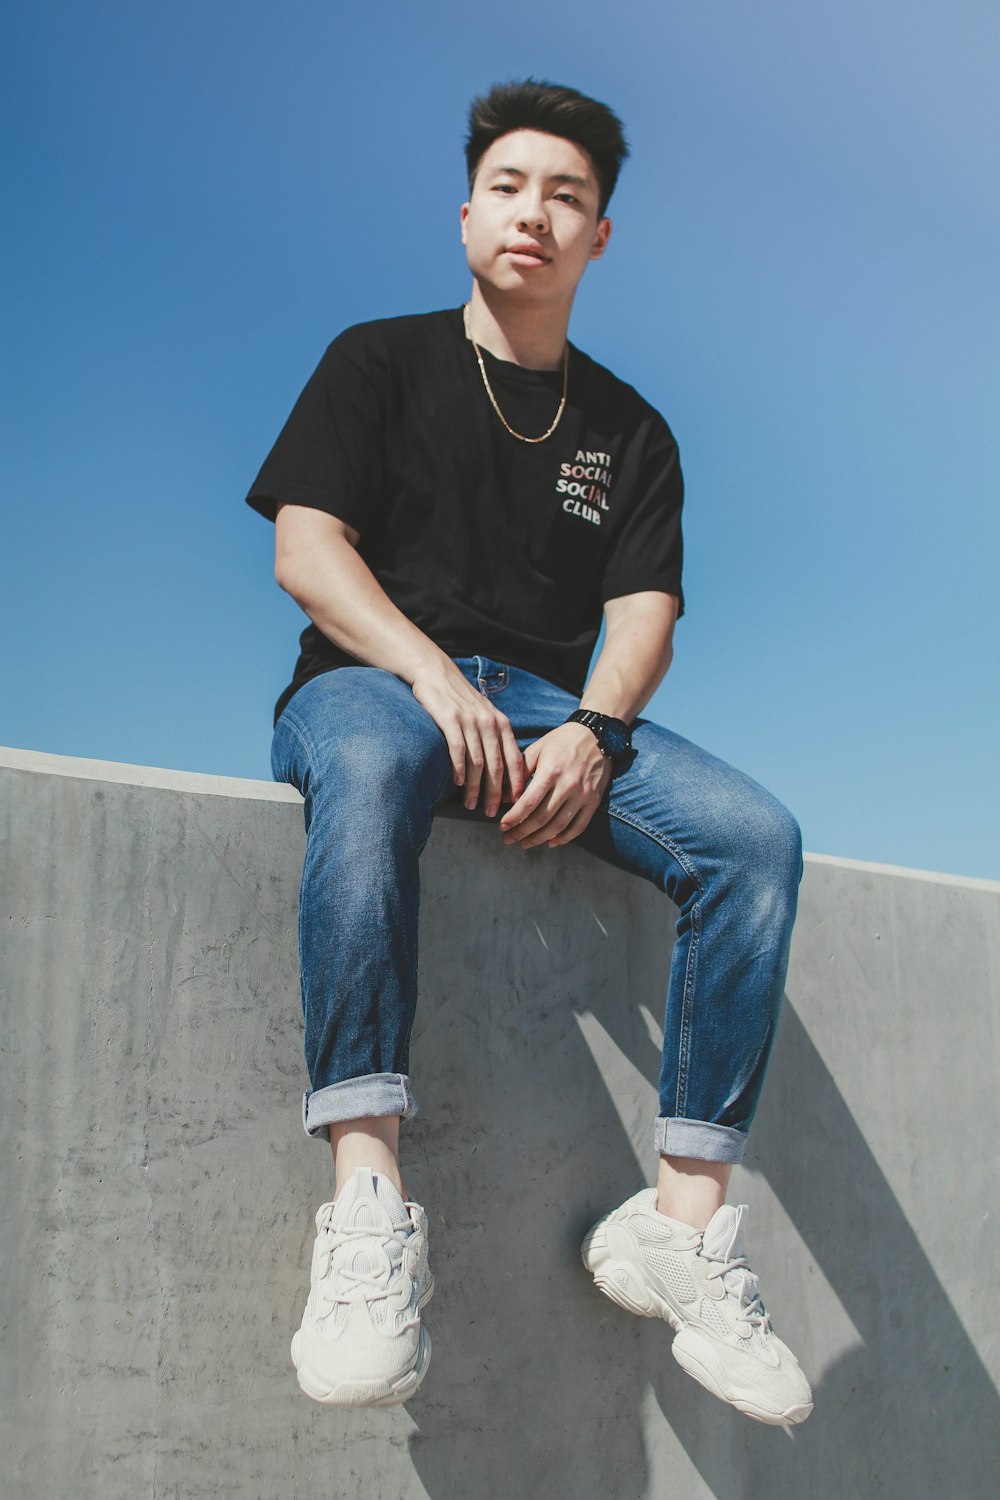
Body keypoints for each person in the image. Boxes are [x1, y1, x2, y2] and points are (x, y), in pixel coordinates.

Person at [245, 79, 813, 1426]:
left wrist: (600, 735)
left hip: (554, 713)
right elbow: (305, 550)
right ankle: (370, 1204)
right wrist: (431, 674)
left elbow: (645, 613)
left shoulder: (631, 430)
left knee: (753, 839)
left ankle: (677, 1223)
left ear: (599, 236)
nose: (534, 215)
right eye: (509, 187)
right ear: (466, 216)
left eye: (566, 196)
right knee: (377, 770)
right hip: (374, 685)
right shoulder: (376, 361)